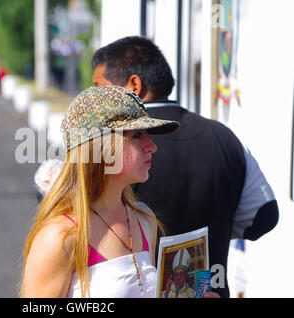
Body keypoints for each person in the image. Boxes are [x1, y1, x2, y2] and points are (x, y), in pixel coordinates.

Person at [91, 36, 279, 298]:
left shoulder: (109, 148)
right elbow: (263, 218)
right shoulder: (226, 138)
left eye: (99, 89)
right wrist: (214, 225)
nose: (94, 101)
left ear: (134, 85)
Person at [21, 85, 183, 298]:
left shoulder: (144, 219)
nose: (151, 146)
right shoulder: (60, 236)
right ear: (100, 148)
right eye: (136, 136)